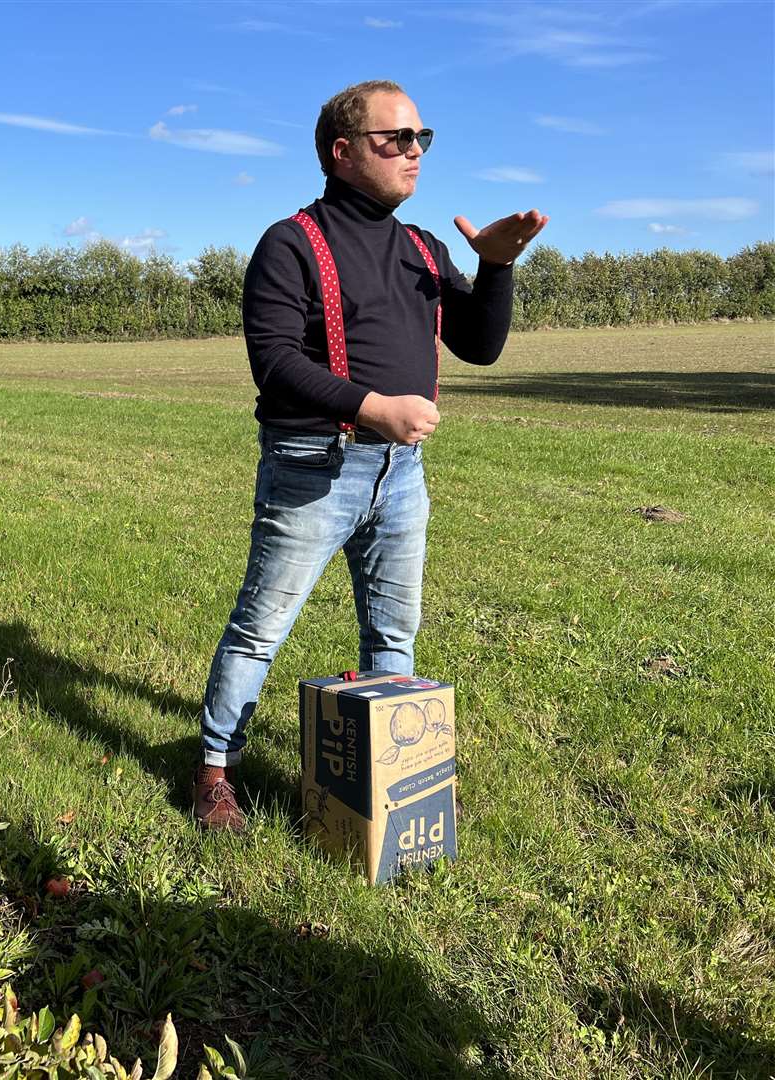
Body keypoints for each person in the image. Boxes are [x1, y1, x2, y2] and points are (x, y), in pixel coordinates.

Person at [192, 80, 549, 832]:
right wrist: (373, 408)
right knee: (263, 626)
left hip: (401, 475)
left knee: (393, 632)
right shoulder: (291, 243)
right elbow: (275, 361)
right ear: (343, 152)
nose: (414, 152)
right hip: (313, 467)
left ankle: (393, 771)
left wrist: (496, 267)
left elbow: (479, 347)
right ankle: (216, 769)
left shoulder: (425, 247)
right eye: (396, 139)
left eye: (422, 137)